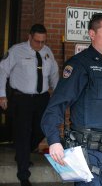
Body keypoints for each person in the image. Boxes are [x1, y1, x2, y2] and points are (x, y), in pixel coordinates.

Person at [41, 13, 102, 186]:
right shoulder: (79, 65)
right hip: (88, 152)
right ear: (92, 35)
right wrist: (54, 140)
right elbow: (57, 105)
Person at [0, 24, 59, 186]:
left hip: (42, 98)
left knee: (43, 128)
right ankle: (23, 174)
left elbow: (54, 75)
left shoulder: (47, 52)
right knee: (23, 134)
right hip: (22, 99)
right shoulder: (16, 51)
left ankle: (22, 154)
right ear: (30, 37)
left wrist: (58, 95)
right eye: (37, 41)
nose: (40, 45)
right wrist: (2, 95)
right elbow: (2, 71)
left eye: (42, 41)